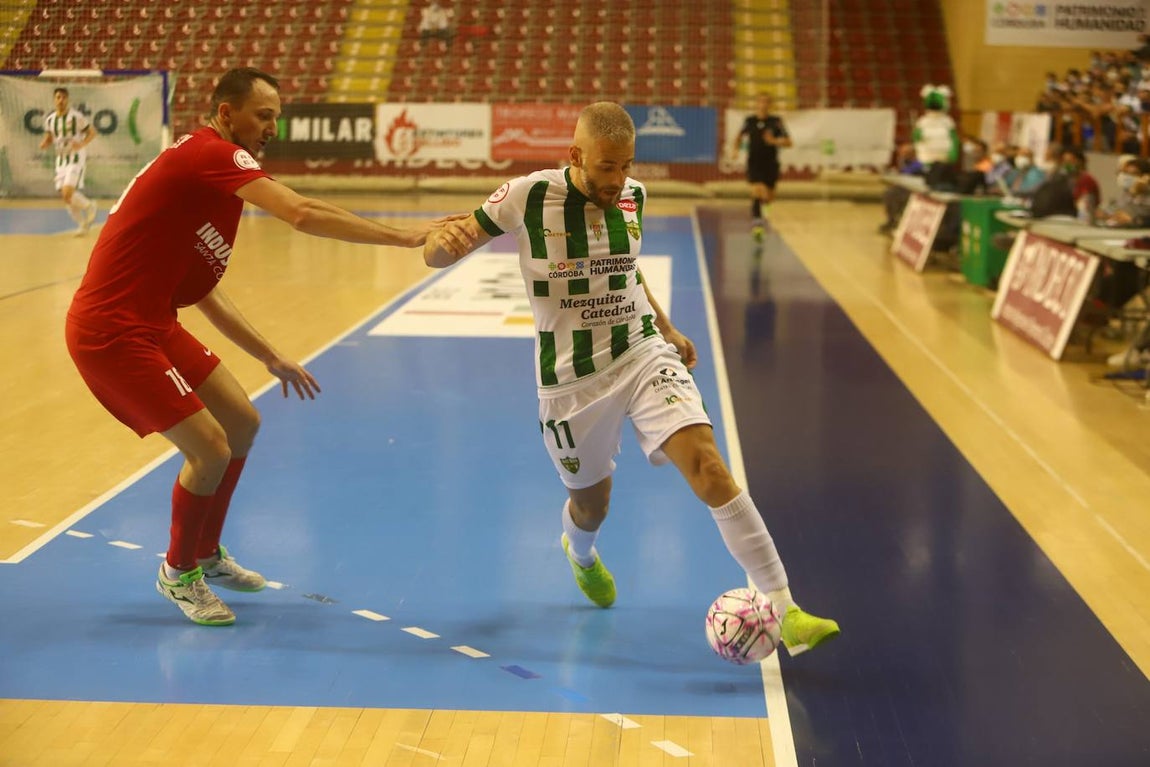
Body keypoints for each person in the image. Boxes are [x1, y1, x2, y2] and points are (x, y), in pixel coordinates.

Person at [424, 102, 840, 656]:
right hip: (571, 381)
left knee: (709, 467)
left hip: (641, 353)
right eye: (606, 167)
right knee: (592, 504)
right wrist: (439, 250)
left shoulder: (633, 196)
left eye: (626, 165)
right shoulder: (526, 196)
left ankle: (786, 610)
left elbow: (625, 266)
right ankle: (582, 554)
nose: (618, 179)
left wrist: (666, 327)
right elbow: (440, 249)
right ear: (575, 157)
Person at [64, 68, 468, 627]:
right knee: (208, 447)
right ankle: (178, 572)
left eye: (277, 115)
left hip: (151, 321)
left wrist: (269, 355)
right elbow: (301, 213)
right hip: (110, 331)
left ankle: (205, 551)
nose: (272, 127)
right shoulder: (210, 155)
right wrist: (405, 235)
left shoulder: (206, 178)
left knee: (242, 423)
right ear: (226, 113)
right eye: (263, 115)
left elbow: (202, 291)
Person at [729, 93, 791, 240]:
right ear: (756, 104)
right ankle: (757, 224)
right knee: (757, 190)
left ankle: (765, 207)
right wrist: (735, 150)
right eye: (760, 102)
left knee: (769, 196)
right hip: (754, 162)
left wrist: (774, 141)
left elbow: (789, 142)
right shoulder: (749, 121)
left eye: (766, 102)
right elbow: (739, 137)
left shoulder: (776, 121)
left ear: (770, 105)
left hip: (770, 163)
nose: (763, 105)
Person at [38, 86, 98, 236]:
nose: (61, 100)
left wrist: (82, 144)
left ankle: (90, 206)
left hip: (75, 157)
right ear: (54, 100)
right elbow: (50, 137)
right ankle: (82, 225)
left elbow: (92, 132)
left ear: (67, 99)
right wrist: (45, 142)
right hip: (61, 159)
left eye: (63, 97)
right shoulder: (50, 119)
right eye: (58, 97)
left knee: (67, 191)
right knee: (66, 197)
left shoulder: (76, 116)